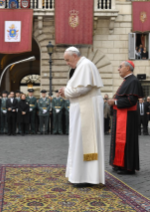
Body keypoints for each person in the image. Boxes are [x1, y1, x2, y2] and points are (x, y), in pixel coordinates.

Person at [59, 46, 105, 187]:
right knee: (77, 141)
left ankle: (85, 178)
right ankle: (77, 176)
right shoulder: (81, 66)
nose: (67, 63)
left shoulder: (85, 65)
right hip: (82, 107)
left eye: (68, 60)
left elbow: (84, 87)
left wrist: (66, 91)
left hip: (87, 109)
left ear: (75, 56)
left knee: (82, 141)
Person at [108, 61, 143, 175]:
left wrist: (115, 102)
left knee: (127, 142)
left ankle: (127, 167)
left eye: (120, 66)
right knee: (118, 141)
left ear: (128, 68)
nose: (118, 69)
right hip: (121, 115)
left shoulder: (133, 81)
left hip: (128, 118)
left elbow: (131, 100)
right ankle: (119, 164)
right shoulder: (127, 81)